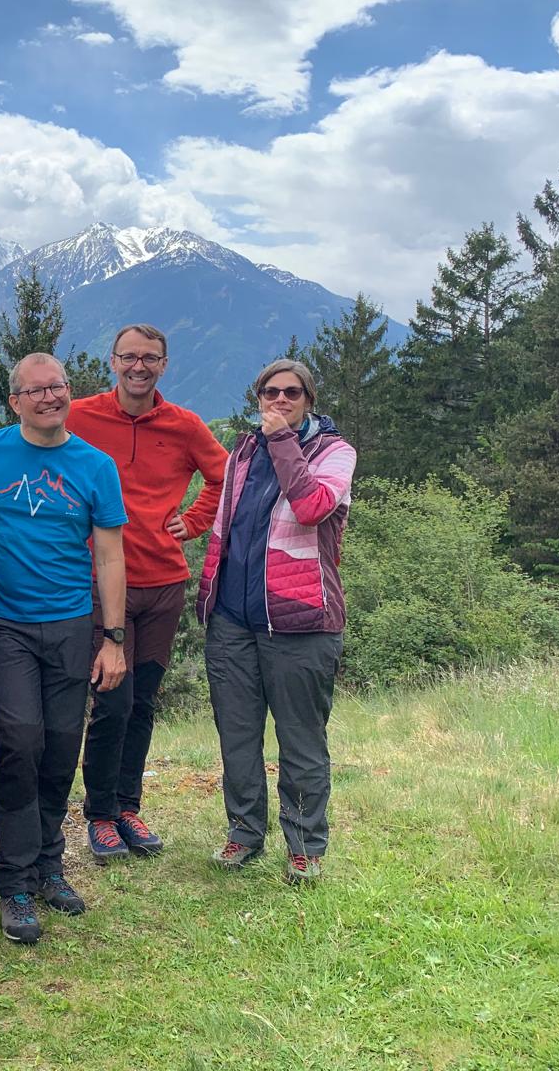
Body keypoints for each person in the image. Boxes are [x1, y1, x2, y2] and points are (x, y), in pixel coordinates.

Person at [0, 354, 128, 944]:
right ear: (14, 401)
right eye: (34, 391)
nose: (48, 398)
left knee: (62, 746)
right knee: (20, 742)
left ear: (69, 392)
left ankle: (49, 866)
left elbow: (109, 556)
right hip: (4, 623)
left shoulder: (95, 466)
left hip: (70, 623)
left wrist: (114, 639)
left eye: (57, 387)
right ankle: (13, 879)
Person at [66, 323, 227, 862]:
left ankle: (127, 808)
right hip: (99, 582)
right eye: (130, 357)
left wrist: (195, 520)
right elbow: (36, 448)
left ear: (164, 364)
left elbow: (225, 476)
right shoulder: (80, 416)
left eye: (150, 358)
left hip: (163, 584)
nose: (139, 366)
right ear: (113, 361)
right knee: (113, 701)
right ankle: (100, 815)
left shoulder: (185, 425)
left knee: (142, 703)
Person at [196, 358, 355, 885]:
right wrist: (208, 594)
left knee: (301, 739)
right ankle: (244, 834)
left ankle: (305, 846)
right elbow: (225, 522)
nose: (280, 400)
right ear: (258, 396)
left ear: (309, 400)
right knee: (237, 736)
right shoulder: (244, 450)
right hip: (232, 619)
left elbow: (312, 507)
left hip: (300, 621)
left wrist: (284, 440)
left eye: (291, 392)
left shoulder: (334, 452)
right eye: (270, 391)